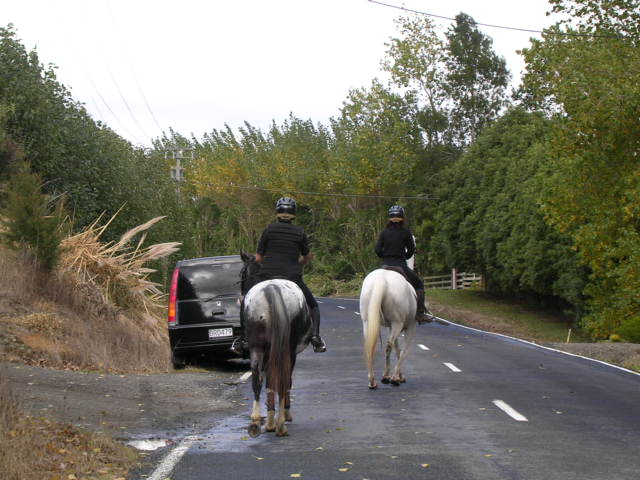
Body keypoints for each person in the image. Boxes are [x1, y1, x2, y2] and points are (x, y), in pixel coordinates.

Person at [230, 197, 327, 354]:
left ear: (277, 213)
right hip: (292, 277)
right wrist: (299, 263)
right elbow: (307, 256)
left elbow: (259, 258)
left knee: (246, 300)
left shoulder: (268, 230)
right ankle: (316, 338)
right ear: (294, 214)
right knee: (314, 305)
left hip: (268, 275)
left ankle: (243, 339)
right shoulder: (300, 232)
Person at [374, 205, 431, 324]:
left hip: (385, 265)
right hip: (400, 266)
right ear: (402, 218)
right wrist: (404, 257)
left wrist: (385, 256)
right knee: (419, 285)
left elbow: (377, 249)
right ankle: (420, 313)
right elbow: (411, 250)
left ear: (390, 218)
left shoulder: (384, 232)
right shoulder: (406, 232)